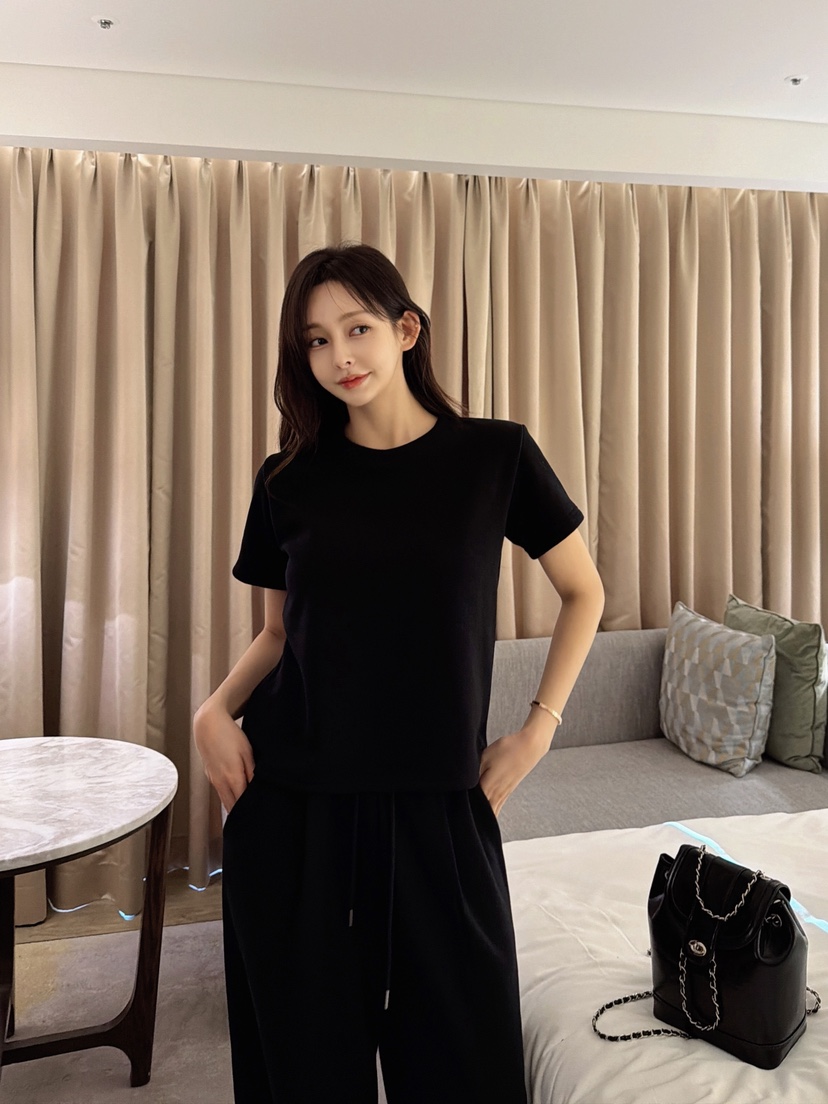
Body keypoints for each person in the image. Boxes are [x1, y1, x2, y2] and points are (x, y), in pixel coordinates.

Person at [193, 242, 605, 1104]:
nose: (339, 357)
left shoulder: (495, 456)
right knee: (304, 1077)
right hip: (296, 809)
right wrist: (214, 711)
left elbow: (584, 592)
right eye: (315, 341)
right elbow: (276, 634)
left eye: (357, 329)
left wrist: (537, 732)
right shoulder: (288, 480)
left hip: (441, 806)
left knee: (468, 1070)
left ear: (405, 330)